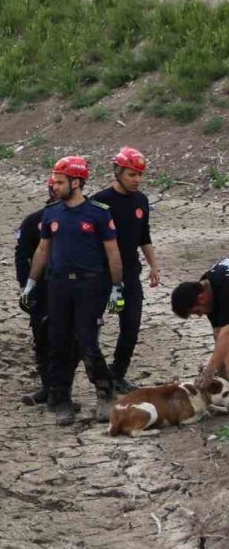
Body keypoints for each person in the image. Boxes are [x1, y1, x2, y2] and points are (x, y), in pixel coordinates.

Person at [21, 156, 125, 425]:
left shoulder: (98, 213)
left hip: (90, 286)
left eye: (59, 182)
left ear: (76, 182)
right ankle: (61, 399)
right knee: (57, 342)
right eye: (54, 181)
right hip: (58, 285)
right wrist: (32, 283)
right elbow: (43, 250)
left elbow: (113, 252)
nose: (54, 186)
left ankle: (105, 393)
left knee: (87, 341)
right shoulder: (52, 213)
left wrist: (116, 287)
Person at [90, 147, 159, 393]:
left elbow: (144, 235)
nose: (137, 180)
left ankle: (118, 373)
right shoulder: (100, 200)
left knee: (131, 325)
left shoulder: (141, 201)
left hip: (130, 273)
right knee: (92, 326)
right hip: (100, 274)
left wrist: (153, 265)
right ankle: (99, 377)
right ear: (117, 172)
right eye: (132, 174)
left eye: (140, 175)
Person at [14, 176, 57, 406]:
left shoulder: (88, 217)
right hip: (41, 289)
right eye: (55, 185)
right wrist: (25, 286)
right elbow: (22, 255)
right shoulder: (34, 221)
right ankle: (47, 387)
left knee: (71, 341)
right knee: (41, 338)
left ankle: (62, 392)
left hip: (72, 289)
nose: (57, 190)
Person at [171, 258, 229, 391]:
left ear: (201, 298)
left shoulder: (225, 289)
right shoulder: (207, 286)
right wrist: (222, 376)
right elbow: (220, 334)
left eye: (196, 311)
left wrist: (209, 370)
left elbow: (227, 333)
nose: (199, 315)